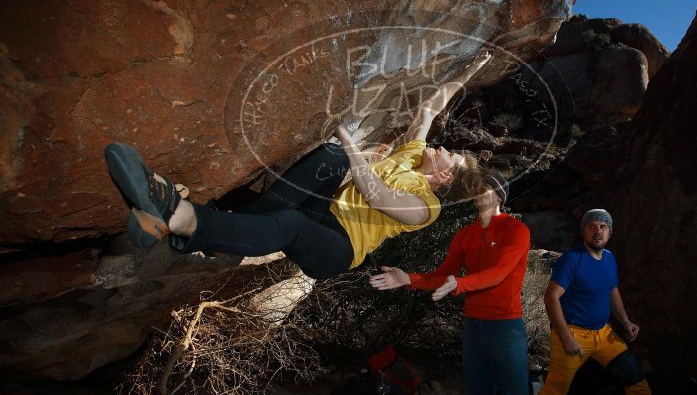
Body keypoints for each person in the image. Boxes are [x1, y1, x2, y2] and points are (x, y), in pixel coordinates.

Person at [104, 51, 492, 279]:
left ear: (444, 175)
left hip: (337, 248)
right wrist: (471, 70)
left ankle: (181, 218)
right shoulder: (413, 154)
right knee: (330, 157)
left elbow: (374, 194)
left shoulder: (427, 208)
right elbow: (429, 109)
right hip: (326, 210)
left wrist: (348, 139)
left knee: (294, 220)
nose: (441, 148)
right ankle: (214, 234)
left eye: (449, 156)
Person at [369, 171, 550, 395]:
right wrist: (408, 279)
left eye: (484, 188)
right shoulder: (465, 234)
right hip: (474, 329)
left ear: (499, 195)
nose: (477, 192)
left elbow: (499, 272)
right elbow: (443, 274)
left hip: (505, 329)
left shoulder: (515, 229)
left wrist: (461, 283)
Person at [530, 209, 668, 395]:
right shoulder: (572, 259)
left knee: (637, 383)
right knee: (555, 391)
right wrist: (565, 337)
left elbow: (612, 290)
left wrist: (625, 322)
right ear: (583, 231)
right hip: (573, 334)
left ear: (610, 232)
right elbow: (551, 297)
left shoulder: (609, 258)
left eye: (603, 227)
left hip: (604, 335)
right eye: (592, 226)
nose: (598, 231)